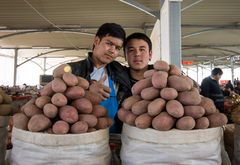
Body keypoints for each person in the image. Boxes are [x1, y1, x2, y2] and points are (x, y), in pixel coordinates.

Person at [68, 23, 132, 133]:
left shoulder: (120, 72)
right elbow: (59, 103)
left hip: (115, 135)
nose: (112, 50)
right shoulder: (74, 70)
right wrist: (86, 92)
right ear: (96, 41)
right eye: (109, 43)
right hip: (83, 134)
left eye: (117, 48)